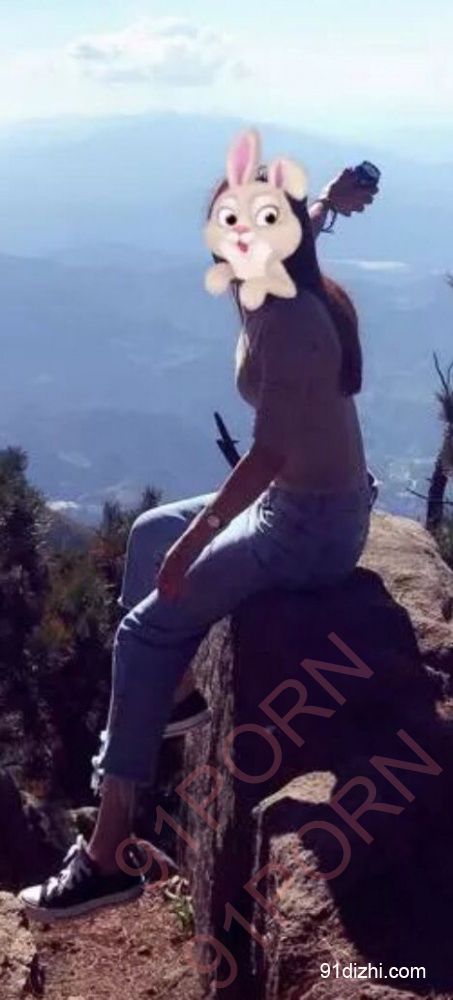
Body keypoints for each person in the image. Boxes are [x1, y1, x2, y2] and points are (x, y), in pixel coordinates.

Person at [19, 161, 378, 921]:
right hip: (297, 500)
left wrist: (198, 543)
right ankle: (175, 695)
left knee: (142, 630)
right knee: (149, 531)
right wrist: (329, 199)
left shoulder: (293, 323)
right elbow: (306, 222)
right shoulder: (275, 274)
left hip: (311, 527)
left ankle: (107, 855)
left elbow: (268, 457)